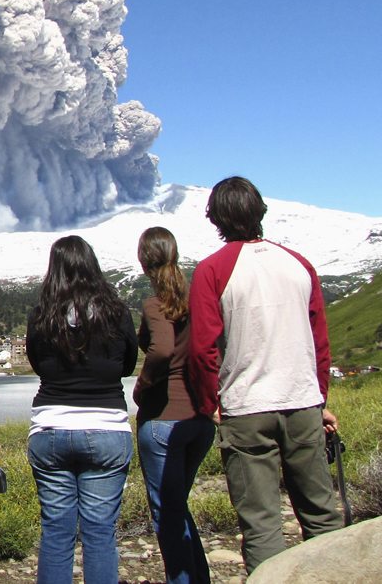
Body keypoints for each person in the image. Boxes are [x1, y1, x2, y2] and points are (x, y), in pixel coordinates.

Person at [187, 176, 342, 573]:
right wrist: (319, 398)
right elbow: (319, 340)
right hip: (303, 402)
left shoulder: (212, 270)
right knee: (322, 514)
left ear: (216, 219)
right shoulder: (299, 264)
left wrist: (210, 405)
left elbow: (203, 348)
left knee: (261, 524)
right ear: (261, 212)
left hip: (246, 410)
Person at [25, 235, 138, 584]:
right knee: (100, 533)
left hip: (50, 430)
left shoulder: (40, 316)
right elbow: (127, 365)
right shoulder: (117, 313)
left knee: (56, 532)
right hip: (107, 428)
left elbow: (38, 365)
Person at [132, 227, 214, 584]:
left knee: (166, 514)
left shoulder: (155, 304)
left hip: (163, 420)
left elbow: (162, 349)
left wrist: (144, 383)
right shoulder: (198, 299)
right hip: (199, 419)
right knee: (178, 506)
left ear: (143, 260)